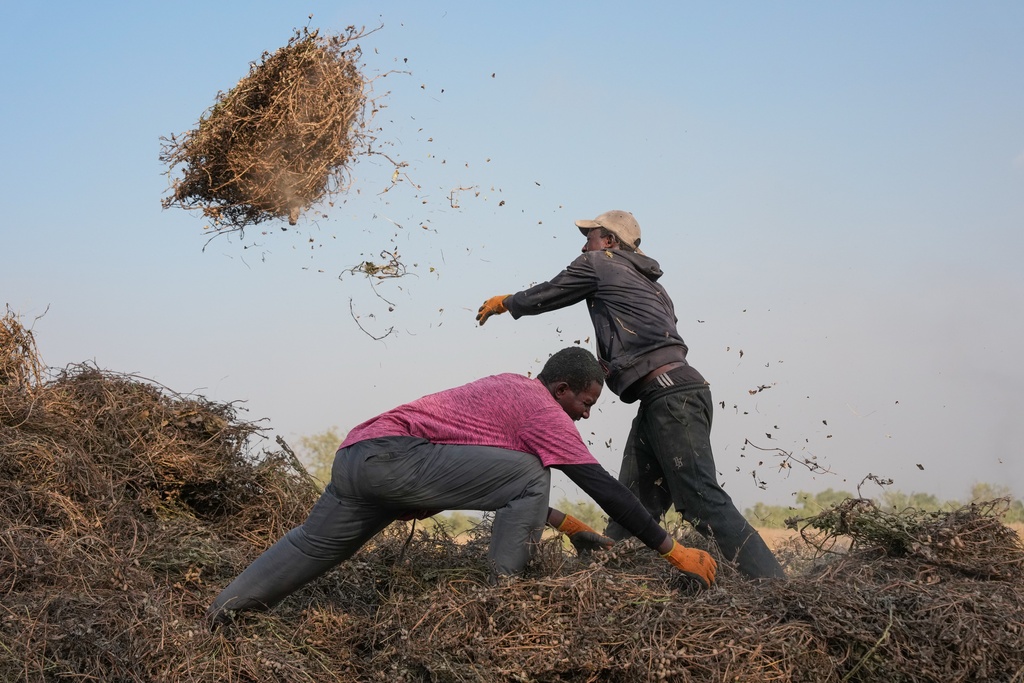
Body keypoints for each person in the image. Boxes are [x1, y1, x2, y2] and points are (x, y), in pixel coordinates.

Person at [207, 347, 716, 627]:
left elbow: (477, 480)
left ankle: (219, 616)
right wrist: (671, 550)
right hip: (396, 457)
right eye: (585, 403)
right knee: (533, 473)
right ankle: (501, 601)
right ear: (561, 388)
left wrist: (568, 525)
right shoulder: (542, 409)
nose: (584, 415)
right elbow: (603, 486)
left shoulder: (507, 386)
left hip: (357, 457)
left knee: (311, 544)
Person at [476, 210, 785, 579]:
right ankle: (606, 581)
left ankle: (775, 587)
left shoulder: (600, 262)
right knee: (633, 504)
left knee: (701, 499)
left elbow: (553, 291)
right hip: (668, 396)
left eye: (590, 236)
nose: (584, 244)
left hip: (672, 397)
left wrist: (509, 302)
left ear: (608, 241)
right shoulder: (652, 285)